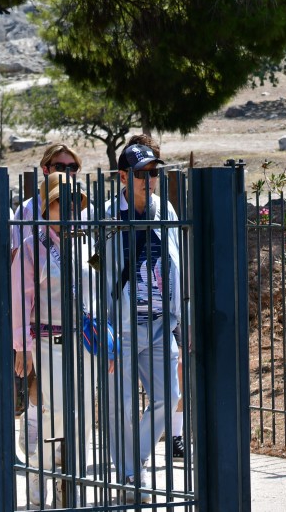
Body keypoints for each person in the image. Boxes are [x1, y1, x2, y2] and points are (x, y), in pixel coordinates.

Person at [11, 172, 99, 507]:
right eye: (61, 200)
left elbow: (98, 289)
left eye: (75, 201)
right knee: (56, 414)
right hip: (49, 342)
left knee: (83, 419)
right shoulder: (33, 246)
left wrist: (106, 343)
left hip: (86, 342)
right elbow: (21, 299)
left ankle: (68, 489)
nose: (69, 207)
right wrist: (23, 348)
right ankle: (37, 487)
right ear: (47, 206)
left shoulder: (88, 242)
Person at [103, 142, 182, 504]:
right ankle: (130, 476)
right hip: (121, 326)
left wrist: (180, 316)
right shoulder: (107, 214)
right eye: (142, 174)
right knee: (121, 404)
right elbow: (95, 273)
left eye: (154, 173)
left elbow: (177, 263)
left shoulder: (163, 208)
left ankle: (132, 459)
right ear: (123, 177)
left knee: (170, 397)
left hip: (159, 322)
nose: (149, 180)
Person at [11, 142, 85, 463]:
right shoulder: (27, 212)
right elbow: (18, 268)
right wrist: (20, 340)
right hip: (39, 324)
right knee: (42, 394)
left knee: (72, 404)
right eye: (60, 166)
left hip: (79, 329)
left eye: (72, 168)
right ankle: (36, 444)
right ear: (46, 168)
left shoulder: (85, 222)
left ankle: (60, 460)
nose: (66, 172)